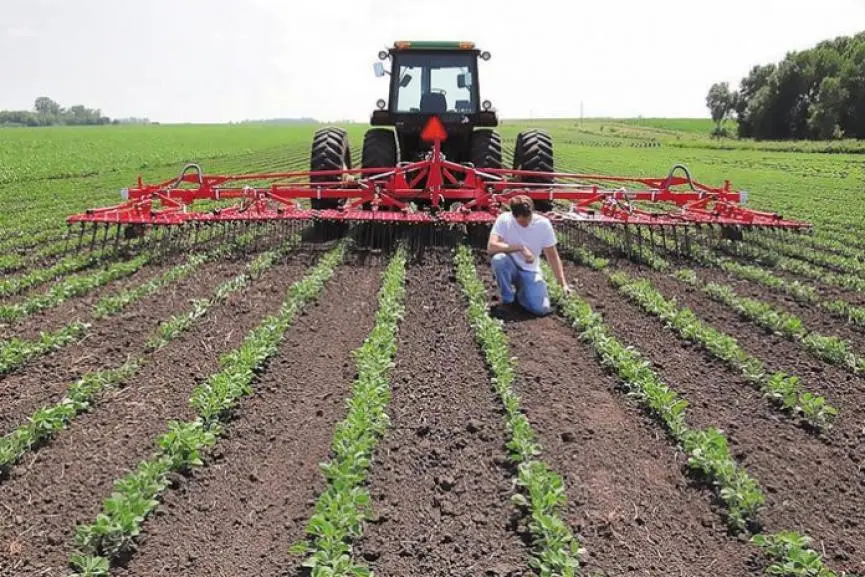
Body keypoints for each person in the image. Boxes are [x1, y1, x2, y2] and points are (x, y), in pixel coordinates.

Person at [487, 195, 572, 316]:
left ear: (532, 212)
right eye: (521, 221)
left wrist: (563, 284)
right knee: (499, 259)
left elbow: (552, 256)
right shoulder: (504, 219)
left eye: (528, 218)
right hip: (509, 266)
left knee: (540, 309)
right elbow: (491, 247)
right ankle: (508, 301)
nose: (525, 223)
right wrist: (520, 247)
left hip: (530, 270)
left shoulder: (543, 224)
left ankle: (522, 293)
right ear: (513, 215)